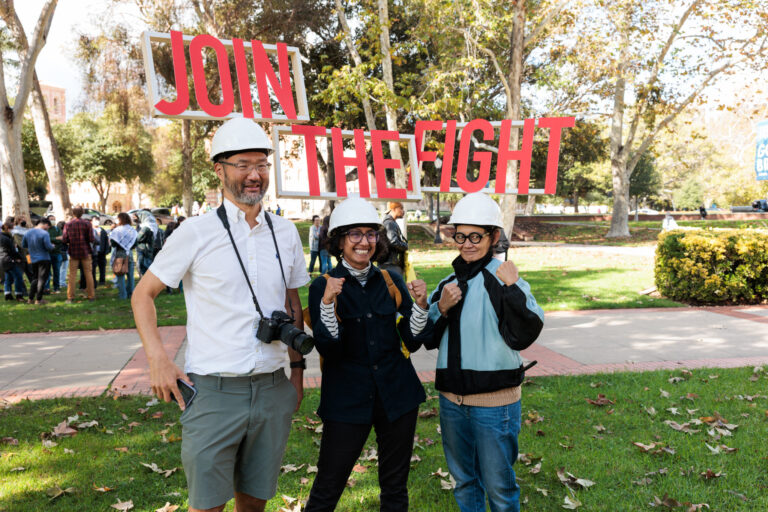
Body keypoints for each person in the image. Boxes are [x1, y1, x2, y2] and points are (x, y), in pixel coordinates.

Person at [131, 117, 309, 512]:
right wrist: (158, 359)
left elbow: (292, 303)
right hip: (213, 391)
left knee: (254, 502)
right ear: (219, 170)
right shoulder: (195, 232)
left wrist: (296, 373)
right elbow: (143, 294)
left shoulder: (286, 232)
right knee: (207, 506)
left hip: (272, 389)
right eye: (243, 165)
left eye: (262, 165)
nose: (254, 175)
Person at [304, 198, 433, 511]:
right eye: (355, 235)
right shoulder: (324, 285)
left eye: (370, 234)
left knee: (395, 487)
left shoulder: (390, 280)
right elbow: (329, 348)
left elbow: (412, 341)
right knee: (327, 487)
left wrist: (420, 306)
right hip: (347, 401)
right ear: (339, 241)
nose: (364, 242)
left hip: (398, 396)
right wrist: (327, 304)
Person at [425, 192, 544, 512]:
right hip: (452, 402)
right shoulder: (447, 283)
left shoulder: (503, 278)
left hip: (495, 405)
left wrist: (513, 289)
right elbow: (428, 338)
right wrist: (440, 306)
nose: (467, 243)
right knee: (464, 481)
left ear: (493, 237)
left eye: (476, 236)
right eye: (460, 235)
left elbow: (526, 332)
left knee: (499, 487)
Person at [63, 206, 96, 303]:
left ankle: (70, 297)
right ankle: (91, 296)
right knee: (88, 274)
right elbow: (91, 239)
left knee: (72, 275)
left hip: (73, 251)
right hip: (86, 251)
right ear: (82, 213)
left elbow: (65, 239)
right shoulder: (87, 224)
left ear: (73, 213)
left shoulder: (68, 224)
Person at [22, 218, 54, 304]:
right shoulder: (45, 233)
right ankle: (38, 299)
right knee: (42, 280)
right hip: (44, 258)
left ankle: (30, 299)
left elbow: (23, 245)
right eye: (48, 226)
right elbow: (48, 247)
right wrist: (52, 246)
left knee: (35, 279)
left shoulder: (28, 232)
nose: (48, 228)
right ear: (44, 224)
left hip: (33, 259)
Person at [110, 213, 138, 300]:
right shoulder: (132, 230)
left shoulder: (117, 230)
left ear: (121, 219)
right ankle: (131, 294)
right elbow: (135, 243)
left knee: (120, 275)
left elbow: (113, 244)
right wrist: (128, 247)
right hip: (129, 254)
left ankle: (123, 295)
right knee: (130, 276)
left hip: (119, 254)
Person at [380, 201, 408, 276]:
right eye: (401, 208)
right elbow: (393, 241)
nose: (403, 211)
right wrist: (405, 246)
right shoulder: (390, 223)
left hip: (389, 264)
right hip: (390, 265)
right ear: (394, 209)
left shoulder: (389, 222)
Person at [1, 221, 26, 301]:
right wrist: (21, 258)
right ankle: (19, 295)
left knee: (8, 277)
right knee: (18, 277)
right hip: (8, 260)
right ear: (8, 229)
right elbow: (12, 251)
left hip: (2, 260)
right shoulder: (6, 238)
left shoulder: (3, 236)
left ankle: (7, 294)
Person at [134, 211, 157, 277]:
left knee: (144, 270)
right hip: (148, 250)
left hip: (144, 251)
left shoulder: (145, 228)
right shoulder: (152, 225)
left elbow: (137, 238)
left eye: (138, 217)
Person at [46, 215, 63, 293]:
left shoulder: (57, 229)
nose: (53, 220)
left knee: (57, 271)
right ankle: (47, 287)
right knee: (47, 272)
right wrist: (55, 238)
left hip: (57, 253)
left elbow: (61, 239)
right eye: (51, 219)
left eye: (54, 219)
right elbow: (46, 240)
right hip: (47, 254)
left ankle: (56, 287)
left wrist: (53, 240)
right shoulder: (45, 230)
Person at [91, 217, 109, 287]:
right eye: (95, 220)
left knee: (102, 267)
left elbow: (106, 241)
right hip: (93, 252)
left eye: (98, 220)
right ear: (91, 221)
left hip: (101, 252)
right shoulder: (90, 230)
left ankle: (102, 280)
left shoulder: (102, 231)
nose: (96, 222)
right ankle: (93, 281)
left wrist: (106, 250)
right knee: (93, 268)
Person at [56, 220, 68, 290]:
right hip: (63, 251)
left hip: (59, 251)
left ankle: (60, 282)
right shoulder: (63, 233)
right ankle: (61, 282)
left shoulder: (56, 232)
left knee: (59, 268)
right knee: (63, 268)